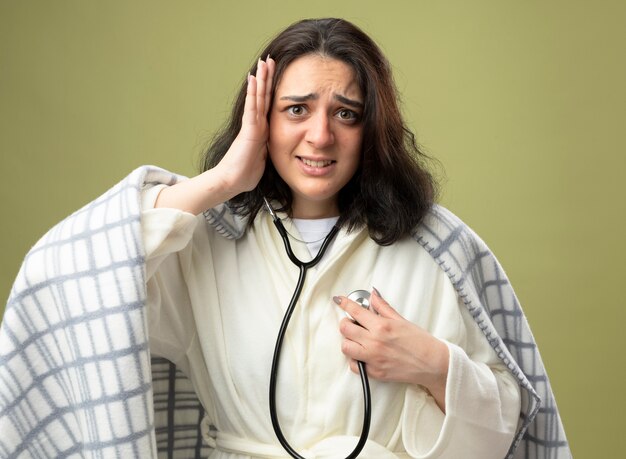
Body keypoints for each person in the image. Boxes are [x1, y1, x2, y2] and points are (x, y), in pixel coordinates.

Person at [0, 18, 569, 459]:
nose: (319, 135)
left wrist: (431, 363)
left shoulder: (437, 246)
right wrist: (220, 181)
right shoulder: (203, 244)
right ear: (261, 121)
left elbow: (509, 431)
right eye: (295, 109)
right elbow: (64, 279)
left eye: (346, 114)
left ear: (373, 128)